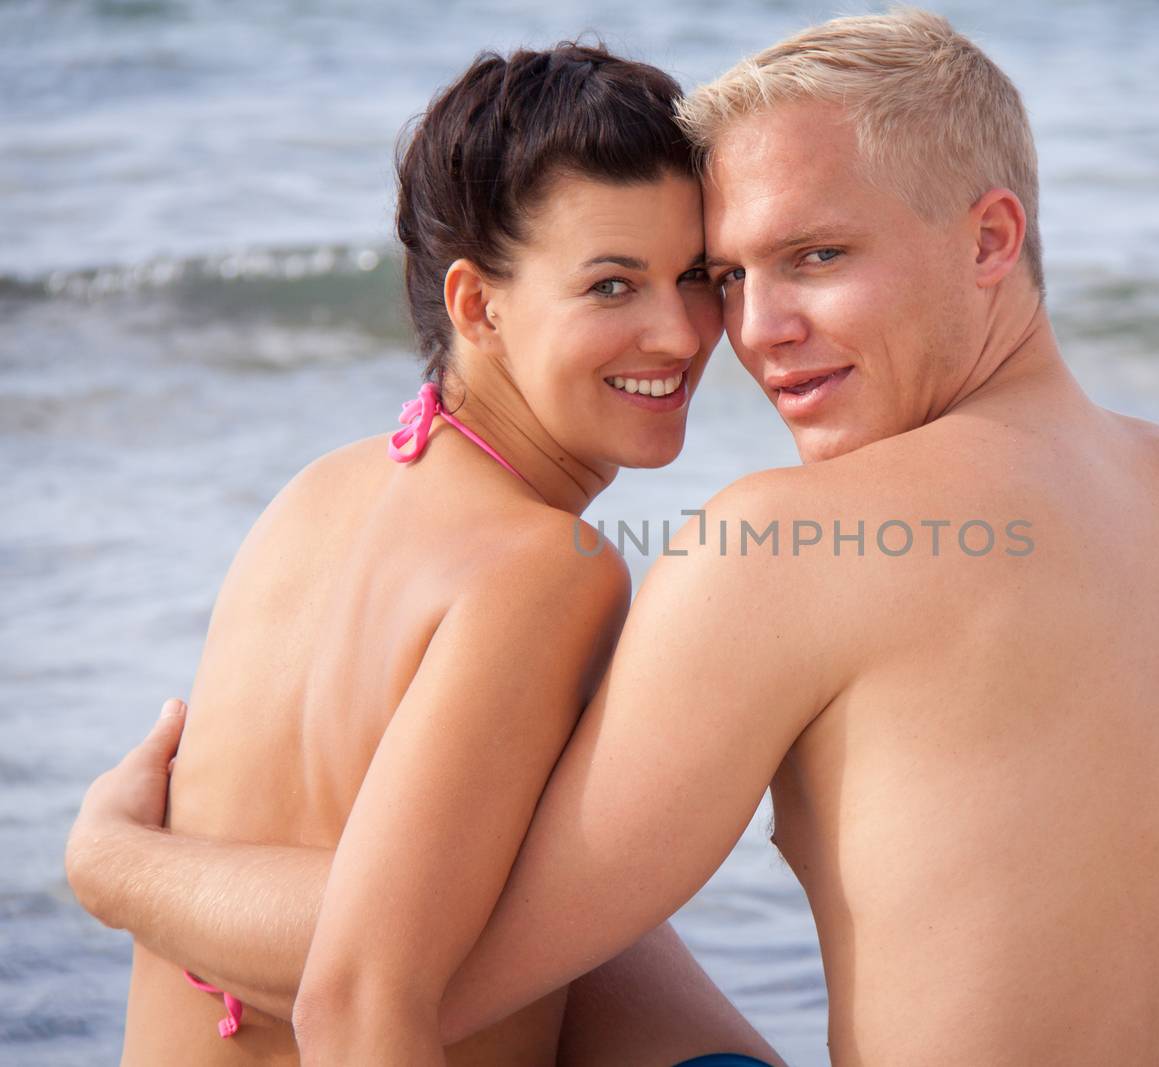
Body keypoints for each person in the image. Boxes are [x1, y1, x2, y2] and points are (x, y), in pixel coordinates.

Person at [67, 10, 1159, 1065]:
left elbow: (405, 973)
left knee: (575, 945)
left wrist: (132, 869)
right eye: (728, 274)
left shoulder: (782, 546)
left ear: (994, 240)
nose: (741, 332)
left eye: (815, 257)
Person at [74, 40, 782, 1067]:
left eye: (694, 275)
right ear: (475, 304)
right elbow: (361, 996)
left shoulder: (314, 494)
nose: (678, 332)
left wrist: (116, 863)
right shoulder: (546, 567)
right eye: (612, 285)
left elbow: (391, 907)